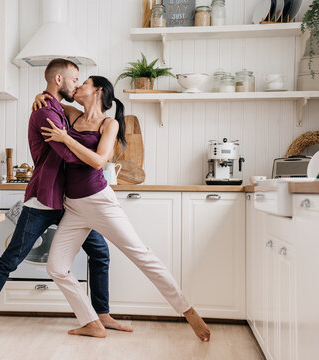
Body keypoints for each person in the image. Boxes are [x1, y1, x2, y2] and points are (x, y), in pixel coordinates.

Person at [33, 76, 211, 341]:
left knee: (141, 254)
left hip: (100, 201)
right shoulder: (71, 115)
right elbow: (51, 98)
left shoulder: (109, 123)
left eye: (84, 83)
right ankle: (91, 322)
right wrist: (40, 96)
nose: (78, 86)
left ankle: (187, 310)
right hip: (74, 207)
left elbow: (98, 160)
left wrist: (65, 139)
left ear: (98, 91)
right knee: (56, 267)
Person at [0, 59, 132, 337]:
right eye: (74, 80)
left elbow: (75, 137)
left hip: (70, 202)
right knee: (10, 260)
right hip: (45, 201)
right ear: (59, 80)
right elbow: (68, 154)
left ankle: (101, 315)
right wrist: (94, 156)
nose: (77, 85)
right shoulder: (46, 110)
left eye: (82, 82)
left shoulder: (58, 108)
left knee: (100, 252)